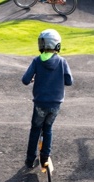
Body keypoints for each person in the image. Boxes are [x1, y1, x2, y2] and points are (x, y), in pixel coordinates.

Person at [22, 29, 73, 168]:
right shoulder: (62, 62)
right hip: (55, 104)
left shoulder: (37, 61)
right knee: (48, 128)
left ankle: (30, 159)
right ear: (57, 44)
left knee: (36, 129)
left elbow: (25, 80)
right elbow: (69, 81)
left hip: (40, 103)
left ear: (42, 44)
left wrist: (34, 78)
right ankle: (45, 157)